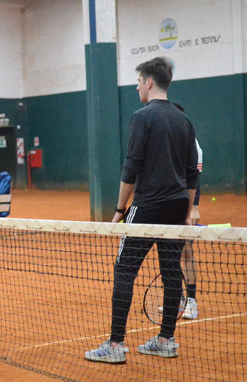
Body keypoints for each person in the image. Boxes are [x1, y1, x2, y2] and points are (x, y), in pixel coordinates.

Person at [85, 57, 199, 364]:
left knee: (124, 270)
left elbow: (131, 166)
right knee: (171, 271)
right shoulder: (184, 120)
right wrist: (187, 212)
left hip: (147, 206)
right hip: (176, 207)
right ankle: (166, 339)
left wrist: (120, 208)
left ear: (149, 82)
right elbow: (192, 173)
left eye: (138, 82)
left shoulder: (141, 117)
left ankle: (115, 345)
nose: (137, 88)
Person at [173, 102, 203, 320]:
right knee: (170, 254)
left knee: (187, 251)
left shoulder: (193, 145)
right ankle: (177, 299)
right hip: (168, 204)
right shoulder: (168, 141)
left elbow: (195, 178)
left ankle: (191, 301)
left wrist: (193, 209)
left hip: (186, 205)